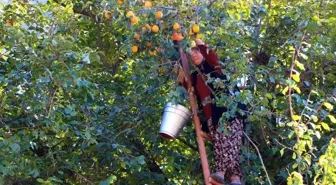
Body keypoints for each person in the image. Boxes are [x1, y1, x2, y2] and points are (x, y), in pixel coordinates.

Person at [177, 39, 247, 185]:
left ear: (202, 53)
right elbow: (187, 85)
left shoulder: (213, 65)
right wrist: (179, 71)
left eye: (197, 52)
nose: (194, 55)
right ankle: (235, 178)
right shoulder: (195, 76)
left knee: (228, 140)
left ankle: (221, 173)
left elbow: (209, 52)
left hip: (229, 110)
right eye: (191, 53)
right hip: (212, 117)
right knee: (224, 145)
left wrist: (194, 33)